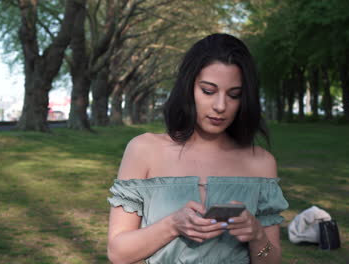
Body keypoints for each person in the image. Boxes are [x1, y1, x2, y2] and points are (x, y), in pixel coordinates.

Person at [107, 33, 289, 264]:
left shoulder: (261, 163)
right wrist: (173, 225)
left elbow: (271, 260)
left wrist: (256, 235)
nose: (221, 106)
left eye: (234, 95)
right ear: (188, 88)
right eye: (208, 91)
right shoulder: (144, 150)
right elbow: (118, 253)